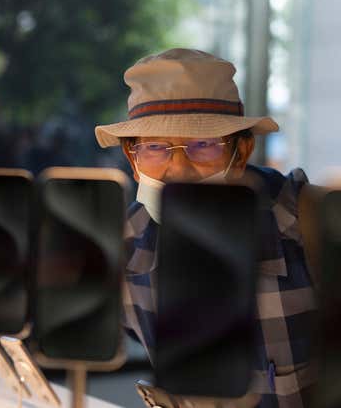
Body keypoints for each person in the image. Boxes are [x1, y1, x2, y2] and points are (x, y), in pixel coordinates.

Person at [95, 49, 317, 407]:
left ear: (242, 152)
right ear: (132, 161)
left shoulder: (310, 227)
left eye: (203, 145)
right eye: (155, 147)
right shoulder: (123, 249)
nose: (178, 169)